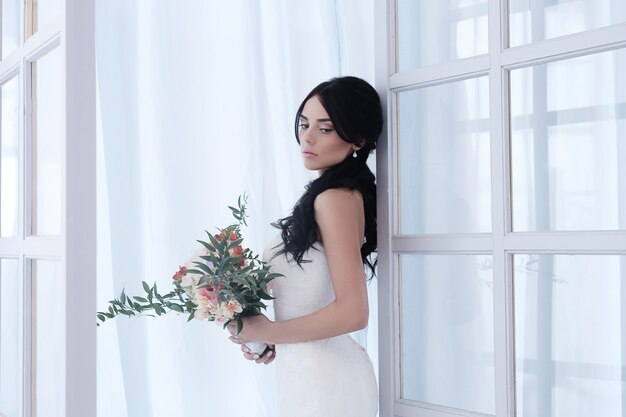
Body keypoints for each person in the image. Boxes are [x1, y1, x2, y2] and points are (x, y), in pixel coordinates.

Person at [228, 76, 382, 417]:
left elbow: (354, 312)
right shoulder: (330, 196)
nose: (307, 137)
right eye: (303, 124)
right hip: (305, 376)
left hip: (328, 385)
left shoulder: (334, 200)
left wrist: (268, 331)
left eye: (324, 128)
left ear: (358, 138)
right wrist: (268, 337)